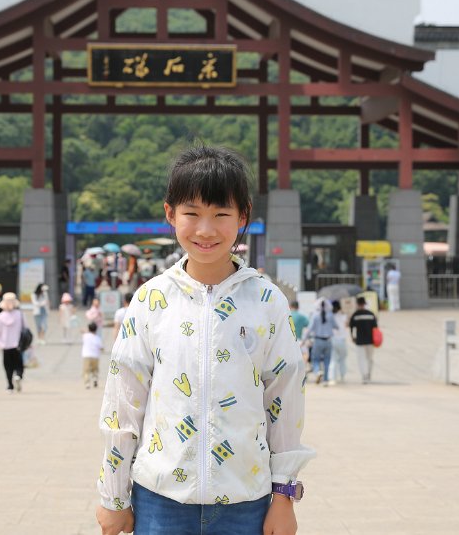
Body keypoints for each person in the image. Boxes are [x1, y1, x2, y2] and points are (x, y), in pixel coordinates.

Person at [96, 144, 314, 535]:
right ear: (170, 213)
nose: (206, 230)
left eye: (221, 214)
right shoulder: (150, 299)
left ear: (243, 215)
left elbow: (284, 399)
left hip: (246, 503)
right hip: (160, 501)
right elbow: (123, 402)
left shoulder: (267, 301)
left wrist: (283, 495)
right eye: (192, 213)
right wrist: (113, 497)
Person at [0, 292, 26, 392]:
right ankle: (18, 375)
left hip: (5, 345)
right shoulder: (20, 315)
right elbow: (25, 328)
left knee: (8, 366)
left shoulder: (0, 317)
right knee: (19, 364)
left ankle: (10, 385)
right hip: (18, 344)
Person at [349, 295, 379, 384]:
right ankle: (368, 374)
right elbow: (376, 327)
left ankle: (364, 375)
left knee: (361, 359)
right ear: (364, 304)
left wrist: (352, 337)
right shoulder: (371, 314)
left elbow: (351, 327)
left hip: (360, 341)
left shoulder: (355, 315)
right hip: (370, 340)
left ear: (357, 304)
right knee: (369, 358)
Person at [306, 299, 336, 386]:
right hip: (328, 341)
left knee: (315, 360)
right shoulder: (330, 315)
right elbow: (336, 326)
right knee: (327, 361)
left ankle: (317, 371)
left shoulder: (315, 316)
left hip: (318, 340)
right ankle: (325, 380)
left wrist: (304, 340)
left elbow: (309, 329)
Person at [330, 300, 349, 385]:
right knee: (342, 360)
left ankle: (333, 378)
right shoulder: (344, 316)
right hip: (342, 340)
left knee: (333, 360)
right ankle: (342, 377)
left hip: (333, 340)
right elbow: (346, 325)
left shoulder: (330, 316)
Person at [81, 321, 103, 389]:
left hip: (86, 355)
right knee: (95, 369)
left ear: (89, 329)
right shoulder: (98, 338)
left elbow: (83, 331)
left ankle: (87, 383)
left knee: (86, 370)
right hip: (95, 356)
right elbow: (101, 348)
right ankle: (95, 379)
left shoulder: (85, 336)